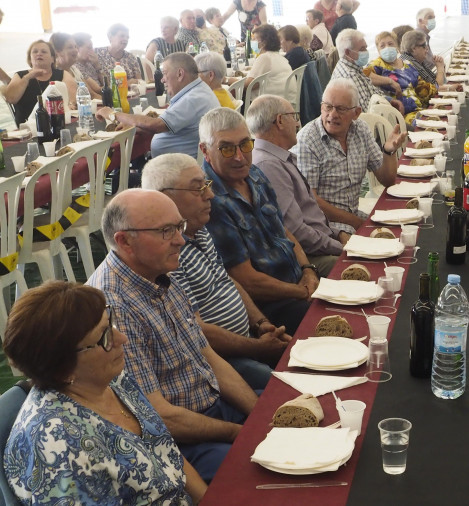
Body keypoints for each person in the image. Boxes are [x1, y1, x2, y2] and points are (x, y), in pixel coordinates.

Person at [87, 189, 259, 482]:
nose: (180, 239)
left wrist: (260, 416)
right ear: (124, 240)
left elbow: (209, 356)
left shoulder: (159, 271)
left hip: (216, 408)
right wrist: (242, 434)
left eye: (178, 227)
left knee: (293, 412)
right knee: (262, 473)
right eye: (166, 231)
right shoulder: (113, 308)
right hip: (183, 443)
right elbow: (160, 416)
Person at [2, 282, 207, 504]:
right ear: (63, 368)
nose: (121, 339)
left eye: (111, 325)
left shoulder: (114, 380)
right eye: (104, 337)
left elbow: (168, 454)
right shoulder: (61, 446)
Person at [142, 153, 290, 388]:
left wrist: (262, 324)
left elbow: (226, 280)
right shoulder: (167, 254)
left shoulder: (199, 228)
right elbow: (198, 331)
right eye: (197, 189)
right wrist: (258, 348)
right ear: (165, 198)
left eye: (206, 185)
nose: (210, 195)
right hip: (218, 359)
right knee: (284, 387)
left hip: (248, 341)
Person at [199, 107, 317, 335]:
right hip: (269, 307)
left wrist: (308, 270)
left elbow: (283, 230)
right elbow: (247, 281)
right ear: (205, 151)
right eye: (226, 149)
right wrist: (301, 291)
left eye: (245, 144)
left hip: (298, 285)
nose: (239, 157)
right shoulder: (210, 200)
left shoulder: (255, 174)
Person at [248, 95, 349, 276]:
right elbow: (296, 232)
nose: (297, 123)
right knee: (359, 267)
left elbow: (310, 216)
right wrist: (340, 247)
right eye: (293, 116)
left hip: (319, 242)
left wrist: (338, 233)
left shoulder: (279, 157)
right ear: (280, 121)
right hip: (305, 258)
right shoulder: (268, 165)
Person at [295, 78, 406, 234]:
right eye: (328, 107)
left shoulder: (361, 129)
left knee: (398, 229)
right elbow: (311, 202)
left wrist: (389, 151)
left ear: (356, 113)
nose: (332, 115)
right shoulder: (307, 140)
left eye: (340, 109)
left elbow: (387, 180)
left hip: (352, 216)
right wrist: (357, 223)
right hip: (323, 224)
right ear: (321, 107)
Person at [96, 52, 219, 158]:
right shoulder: (198, 90)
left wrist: (113, 114)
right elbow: (164, 124)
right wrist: (135, 126)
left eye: (165, 73)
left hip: (179, 170)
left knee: (119, 180)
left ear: (180, 74)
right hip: (180, 162)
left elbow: (155, 125)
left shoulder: (192, 99)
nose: (162, 79)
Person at [3, 40, 77, 127]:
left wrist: (71, 105)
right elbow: (11, 99)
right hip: (28, 129)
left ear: (53, 58)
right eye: (35, 51)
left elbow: (72, 99)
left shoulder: (62, 74)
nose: (39, 54)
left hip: (58, 124)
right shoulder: (20, 76)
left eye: (44, 52)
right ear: (30, 59)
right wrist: (28, 77)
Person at [367, 31, 435, 119]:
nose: (387, 47)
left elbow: (422, 88)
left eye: (390, 44)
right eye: (382, 46)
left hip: (418, 110)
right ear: (378, 50)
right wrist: (390, 81)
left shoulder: (407, 64)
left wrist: (445, 89)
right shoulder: (377, 64)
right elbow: (364, 75)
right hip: (400, 116)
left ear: (397, 46)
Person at [333, 29, 387, 112]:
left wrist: (389, 100)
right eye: (362, 49)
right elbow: (367, 112)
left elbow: (372, 90)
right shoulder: (350, 76)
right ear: (347, 52)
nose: (366, 52)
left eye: (366, 47)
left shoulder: (354, 66)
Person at [246, 24, 295, 105]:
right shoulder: (280, 57)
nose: (252, 42)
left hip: (273, 106)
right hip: (286, 102)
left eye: (254, 39)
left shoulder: (265, 58)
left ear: (264, 43)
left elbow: (251, 84)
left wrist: (227, 80)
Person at [49, 32, 87, 103]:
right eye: (70, 47)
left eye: (75, 46)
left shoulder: (74, 69)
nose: (76, 50)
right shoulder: (55, 74)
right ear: (58, 52)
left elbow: (91, 94)